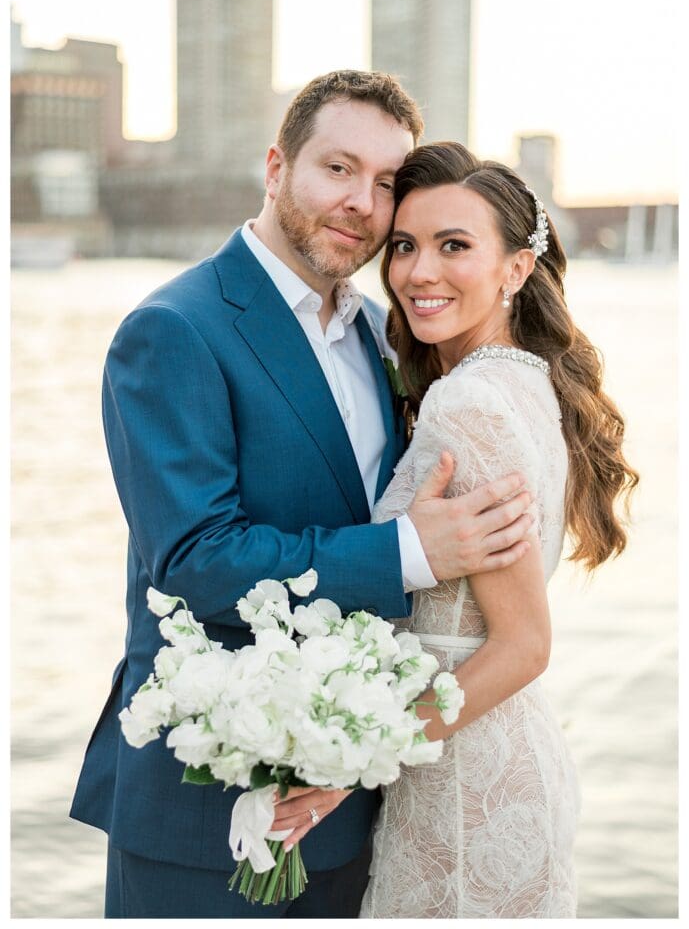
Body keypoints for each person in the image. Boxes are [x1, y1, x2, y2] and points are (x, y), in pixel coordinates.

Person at [69, 73, 534, 918]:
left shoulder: (376, 331)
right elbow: (194, 561)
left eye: (387, 183)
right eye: (338, 168)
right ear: (277, 166)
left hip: (352, 803)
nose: (362, 202)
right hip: (204, 812)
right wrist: (414, 552)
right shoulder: (175, 328)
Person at [347, 142, 636, 917]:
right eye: (404, 245)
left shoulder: (466, 403)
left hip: (464, 783)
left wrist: (349, 759)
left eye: (454, 246)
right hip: (481, 755)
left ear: (514, 269)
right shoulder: (521, 382)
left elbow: (521, 645)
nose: (417, 272)